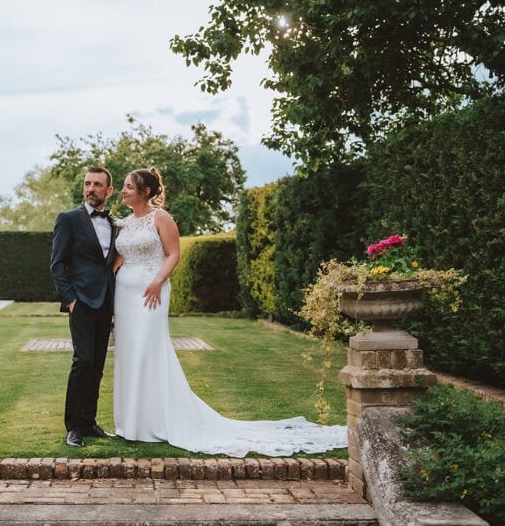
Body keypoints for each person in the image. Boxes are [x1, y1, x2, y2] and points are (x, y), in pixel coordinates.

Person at [112, 167, 346, 457]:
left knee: (149, 351)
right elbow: (121, 257)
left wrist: (158, 280)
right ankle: (130, 424)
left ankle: (155, 421)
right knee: (129, 353)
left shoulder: (161, 218)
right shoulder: (123, 223)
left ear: (145, 192)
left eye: (129, 187)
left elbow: (173, 253)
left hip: (152, 292)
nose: (123, 191)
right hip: (123, 295)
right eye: (123, 187)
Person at [50, 166, 119, 448]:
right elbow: (57, 264)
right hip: (82, 302)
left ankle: (89, 422)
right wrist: (70, 299)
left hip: (107, 302)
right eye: (87, 184)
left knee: (98, 365)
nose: (91, 188)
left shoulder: (115, 223)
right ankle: (74, 427)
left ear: (108, 191)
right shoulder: (69, 219)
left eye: (97, 184)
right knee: (83, 361)